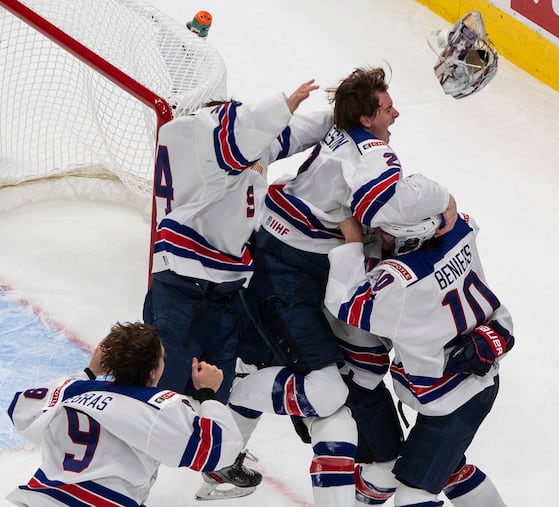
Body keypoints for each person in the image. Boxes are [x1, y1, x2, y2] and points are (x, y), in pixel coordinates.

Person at [227, 66, 458, 507]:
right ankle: (224, 407)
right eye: (388, 108)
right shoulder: (375, 154)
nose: (396, 115)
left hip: (264, 243)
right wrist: (441, 208)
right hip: (288, 271)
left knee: (262, 351)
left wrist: (257, 162)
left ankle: (223, 446)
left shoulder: (335, 125)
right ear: (367, 118)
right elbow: (379, 211)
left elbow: (277, 138)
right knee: (324, 391)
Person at [143, 80, 332, 498]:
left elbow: (287, 135)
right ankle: (122, 483)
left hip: (220, 289)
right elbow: (247, 127)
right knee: (158, 399)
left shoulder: (226, 149)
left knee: (218, 385)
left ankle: (219, 467)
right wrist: (283, 101)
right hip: (183, 289)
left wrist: (343, 113)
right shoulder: (199, 135)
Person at [323, 213, 515, 507]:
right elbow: (453, 213)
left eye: (385, 233)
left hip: (452, 399)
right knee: (447, 468)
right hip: (475, 380)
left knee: (414, 496)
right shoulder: (459, 230)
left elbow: (345, 304)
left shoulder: (401, 285)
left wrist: (351, 240)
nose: (377, 234)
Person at [6, 321, 244, 507]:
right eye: (163, 357)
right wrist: (207, 393)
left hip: (41, 498)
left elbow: (21, 410)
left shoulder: (72, 390)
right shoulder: (161, 406)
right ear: (153, 372)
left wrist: (89, 372)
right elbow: (217, 450)